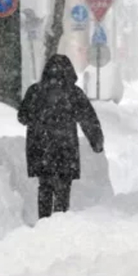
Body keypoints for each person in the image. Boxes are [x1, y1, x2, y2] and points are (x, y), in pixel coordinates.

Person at [17, 54, 104, 219]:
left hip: (41, 149)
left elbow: (22, 117)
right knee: (63, 188)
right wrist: (96, 141)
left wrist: (39, 117)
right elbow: (88, 119)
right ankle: (60, 221)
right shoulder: (74, 93)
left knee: (44, 187)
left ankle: (44, 221)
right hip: (65, 149)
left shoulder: (35, 91)